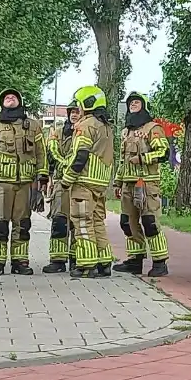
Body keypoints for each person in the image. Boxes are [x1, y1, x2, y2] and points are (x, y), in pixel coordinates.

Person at [0, 89, 48, 276]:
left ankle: (20, 262)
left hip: (25, 183)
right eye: (7, 97)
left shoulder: (33, 126)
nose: (10, 99)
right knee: (0, 224)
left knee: (23, 224)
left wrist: (42, 175)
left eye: (14, 97)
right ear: (1, 102)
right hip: (0, 183)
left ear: (20, 101)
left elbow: (41, 152)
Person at [112, 92, 171, 277]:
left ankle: (160, 262)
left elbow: (164, 152)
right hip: (128, 185)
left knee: (150, 222)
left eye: (137, 102)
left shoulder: (153, 128)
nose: (133, 105)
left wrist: (144, 158)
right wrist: (117, 183)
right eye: (131, 103)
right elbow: (122, 160)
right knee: (127, 223)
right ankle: (135, 260)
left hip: (147, 183)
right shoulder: (125, 132)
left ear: (144, 106)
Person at [59, 86, 115, 278]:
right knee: (98, 221)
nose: (78, 109)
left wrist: (67, 180)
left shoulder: (85, 125)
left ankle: (86, 265)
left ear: (87, 104)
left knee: (82, 222)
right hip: (100, 183)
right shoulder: (106, 126)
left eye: (79, 105)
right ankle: (104, 262)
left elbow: (81, 155)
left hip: (83, 182)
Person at [44, 103, 80, 273]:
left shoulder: (85, 132)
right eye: (72, 112)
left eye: (77, 112)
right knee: (59, 220)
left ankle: (76, 258)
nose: (74, 115)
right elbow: (51, 152)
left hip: (80, 182)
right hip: (60, 181)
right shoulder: (57, 132)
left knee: (78, 222)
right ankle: (57, 260)